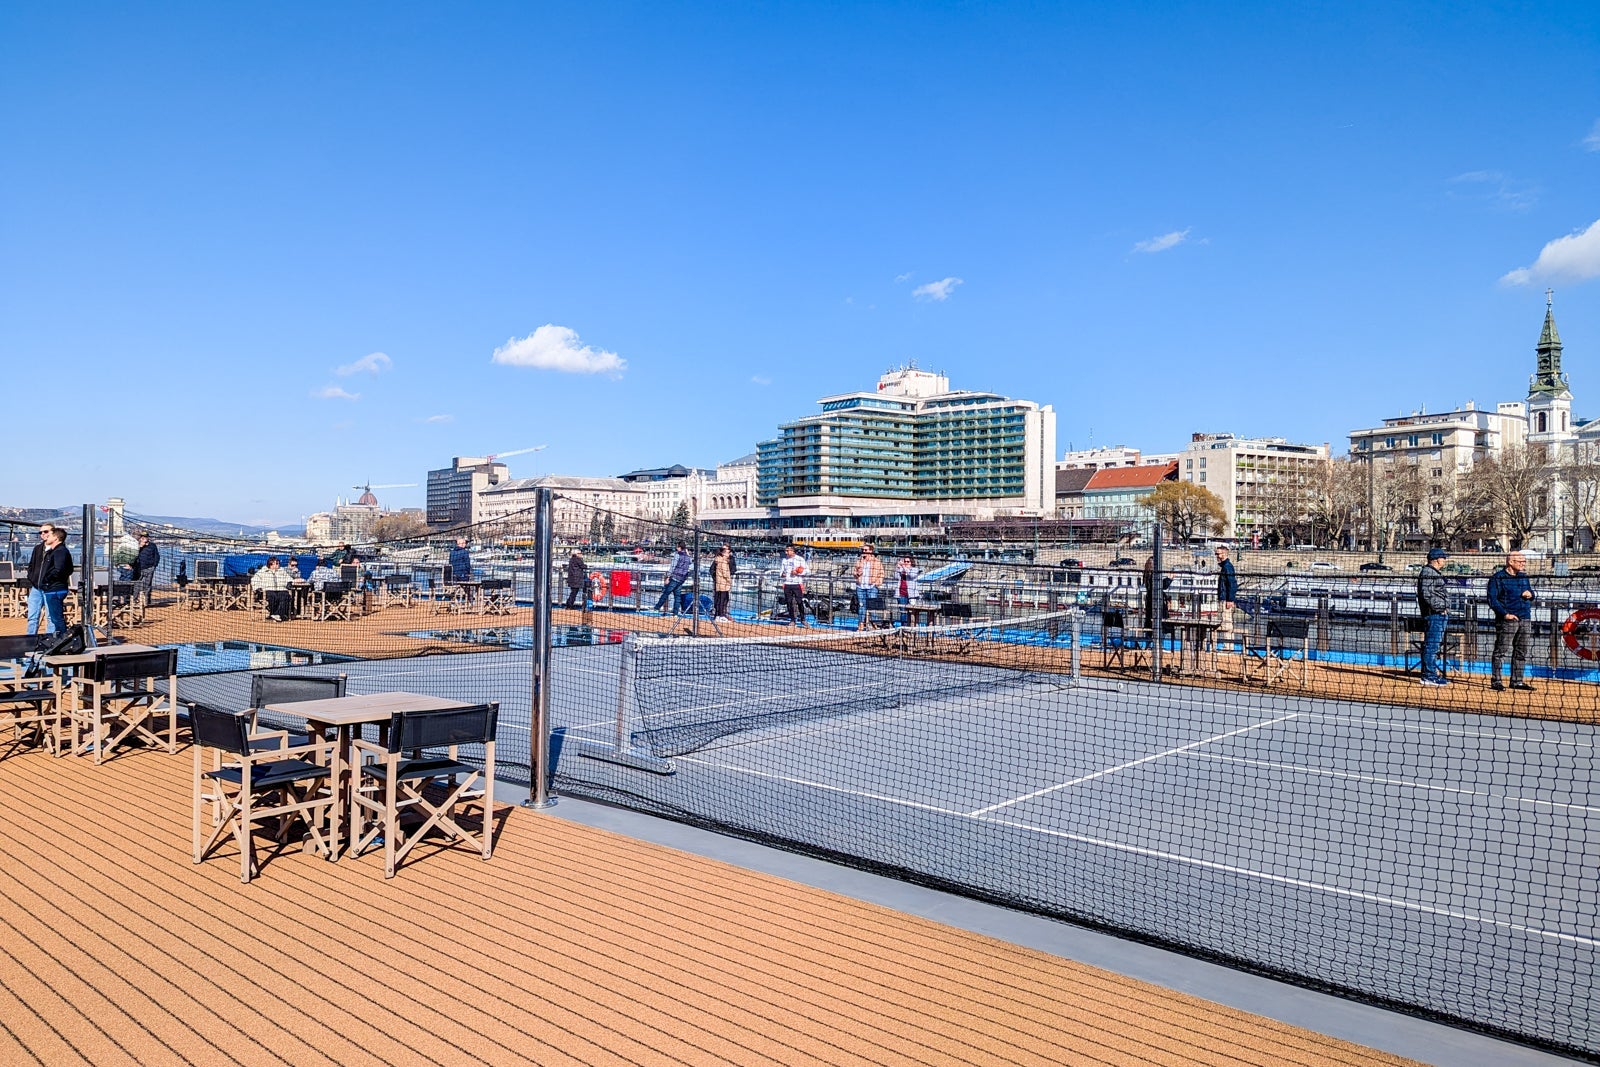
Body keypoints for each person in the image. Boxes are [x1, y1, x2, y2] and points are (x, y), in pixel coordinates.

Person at [1487, 550, 1535, 692]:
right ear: (1510, 562)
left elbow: (1532, 594)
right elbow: (1492, 600)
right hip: (1508, 620)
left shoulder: (1523, 577)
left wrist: (1531, 594)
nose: (1523, 564)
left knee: (1522, 651)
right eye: (1520, 562)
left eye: (1524, 562)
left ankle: (1517, 680)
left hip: (1525, 618)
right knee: (1501, 651)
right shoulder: (1498, 578)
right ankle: (1496, 680)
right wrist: (1505, 614)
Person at [25, 524, 73, 635]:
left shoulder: (59, 550)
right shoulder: (38, 548)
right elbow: (31, 565)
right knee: (32, 616)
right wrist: (32, 578)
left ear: (54, 534)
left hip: (50, 587)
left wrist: (47, 579)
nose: (43, 534)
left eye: (46, 532)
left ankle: (50, 639)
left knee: (52, 617)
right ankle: (30, 639)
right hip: (37, 587)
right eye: (40, 532)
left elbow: (63, 569)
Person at [1416, 547, 1451, 687]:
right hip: (1434, 615)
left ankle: (1429, 674)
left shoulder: (1432, 572)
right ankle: (1428, 675)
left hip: (1437, 614)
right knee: (1432, 646)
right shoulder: (1428, 572)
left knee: (1433, 645)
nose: (1445, 560)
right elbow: (1427, 594)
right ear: (1437, 559)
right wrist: (1440, 608)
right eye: (1443, 558)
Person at [251, 555, 294, 622]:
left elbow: (289, 578)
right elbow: (254, 579)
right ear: (270, 564)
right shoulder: (263, 571)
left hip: (281, 589)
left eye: (278, 563)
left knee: (285, 596)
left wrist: (289, 582)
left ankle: (277, 614)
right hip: (267, 590)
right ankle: (275, 614)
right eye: (276, 563)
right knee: (272, 597)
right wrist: (257, 588)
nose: (278, 565)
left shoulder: (282, 571)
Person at [654, 543, 692, 614]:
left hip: (675, 577)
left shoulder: (677, 555)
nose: (676, 548)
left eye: (677, 547)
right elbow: (690, 562)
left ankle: (656, 608)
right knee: (677, 596)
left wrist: (668, 577)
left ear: (679, 547)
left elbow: (673, 566)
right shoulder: (687, 557)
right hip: (682, 579)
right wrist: (688, 554)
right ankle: (675, 613)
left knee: (666, 593)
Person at [853, 545, 883, 630]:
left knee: (872, 606)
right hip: (861, 587)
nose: (863, 551)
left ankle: (873, 624)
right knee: (861, 606)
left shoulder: (876, 562)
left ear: (870, 551)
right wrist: (858, 573)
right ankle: (861, 624)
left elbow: (881, 574)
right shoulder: (859, 561)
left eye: (865, 549)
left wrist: (877, 583)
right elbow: (854, 573)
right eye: (862, 549)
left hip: (872, 587)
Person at [130, 531, 161, 607]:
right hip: (138, 569)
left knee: (148, 585)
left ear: (148, 538)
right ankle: (134, 600)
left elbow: (157, 556)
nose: (143, 538)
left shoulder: (152, 546)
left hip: (149, 568)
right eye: (142, 537)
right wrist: (140, 546)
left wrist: (154, 566)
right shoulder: (137, 545)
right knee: (136, 584)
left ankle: (147, 601)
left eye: (145, 537)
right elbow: (133, 555)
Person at [779, 544, 807, 625]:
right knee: (789, 602)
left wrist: (798, 572)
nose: (786, 552)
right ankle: (792, 620)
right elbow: (780, 572)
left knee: (799, 602)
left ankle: (802, 619)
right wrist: (782, 574)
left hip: (797, 583)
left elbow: (807, 571)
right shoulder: (784, 560)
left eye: (787, 550)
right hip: (787, 584)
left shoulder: (800, 559)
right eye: (786, 550)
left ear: (792, 551)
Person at [1215, 545, 1238, 635]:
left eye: (1218, 554)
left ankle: (1227, 646)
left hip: (1225, 599)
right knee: (1223, 622)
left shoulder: (1227, 567)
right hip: (1223, 597)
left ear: (1224, 554)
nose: (1216, 556)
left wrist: (1230, 599)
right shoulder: (1225, 567)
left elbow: (1232, 583)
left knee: (1226, 623)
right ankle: (1226, 645)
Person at [894, 557, 920, 625]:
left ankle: (912, 627)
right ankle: (903, 627)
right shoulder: (901, 570)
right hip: (901, 594)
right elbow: (896, 577)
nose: (905, 563)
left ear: (911, 562)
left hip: (912, 594)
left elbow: (911, 575)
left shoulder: (915, 569)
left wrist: (903, 567)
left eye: (907, 562)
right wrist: (898, 568)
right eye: (904, 561)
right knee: (903, 612)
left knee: (912, 612)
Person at [711, 545, 733, 621]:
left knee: (722, 599)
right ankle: (720, 615)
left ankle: (719, 615)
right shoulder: (723, 561)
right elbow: (725, 573)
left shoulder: (719, 560)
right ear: (723, 553)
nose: (729, 554)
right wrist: (729, 581)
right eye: (727, 553)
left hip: (720, 582)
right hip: (723, 583)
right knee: (722, 599)